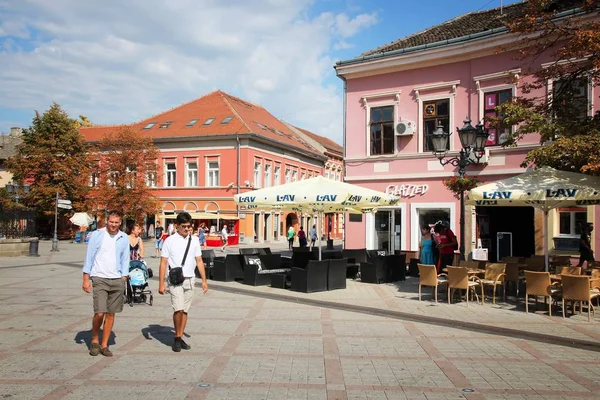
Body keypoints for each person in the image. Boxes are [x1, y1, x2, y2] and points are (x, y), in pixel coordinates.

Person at [82, 210, 129, 357]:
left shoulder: (123, 237)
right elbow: (89, 256)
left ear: (120, 223)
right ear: (106, 221)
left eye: (116, 222)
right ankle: (95, 339)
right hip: (99, 277)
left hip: (117, 278)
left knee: (111, 313)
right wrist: (86, 277)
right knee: (99, 312)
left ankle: (104, 344)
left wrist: (124, 276)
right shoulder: (97, 235)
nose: (113, 225)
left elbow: (125, 257)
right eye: (111, 222)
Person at [159, 212, 208, 352]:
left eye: (189, 226)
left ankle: (180, 337)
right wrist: (161, 283)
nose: (187, 229)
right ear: (176, 226)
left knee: (185, 311)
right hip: (175, 280)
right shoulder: (169, 241)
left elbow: (199, 260)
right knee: (178, 309)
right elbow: (163, 263)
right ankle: (176, 337)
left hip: (190, 279)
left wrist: (204, 280)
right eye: (184, 226)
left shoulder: (194, 240)